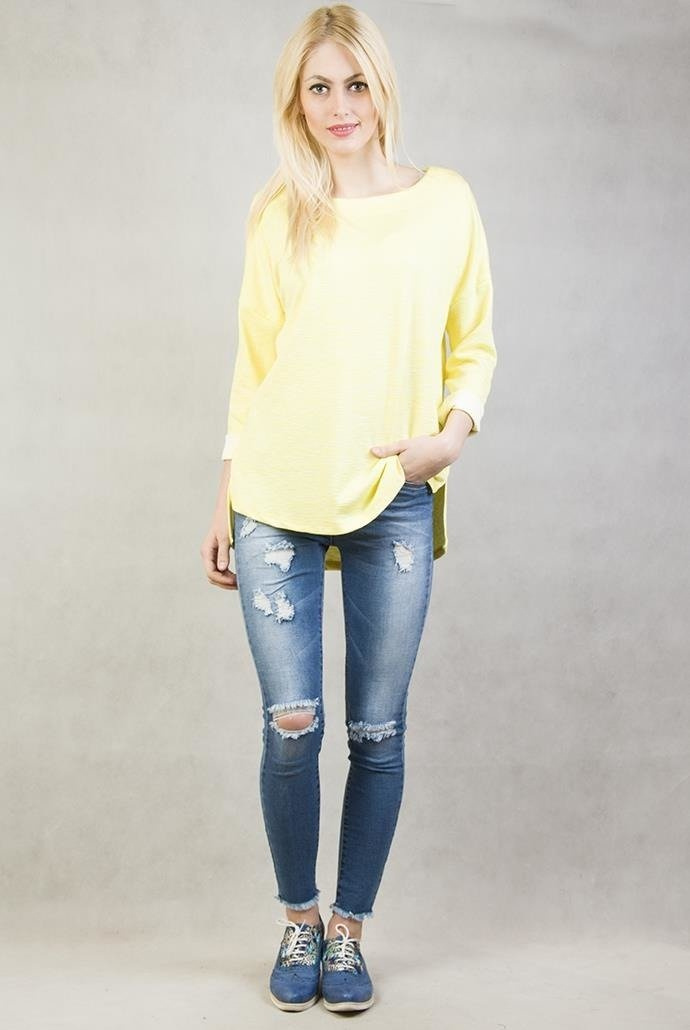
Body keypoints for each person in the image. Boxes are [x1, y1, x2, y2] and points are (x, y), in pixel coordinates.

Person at [200, 3, 497, 1014]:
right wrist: (224, 494)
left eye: (356, 83)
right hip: (275, 496)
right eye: (319, 87)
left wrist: (448, 440)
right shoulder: (278, 211)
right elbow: (254, 368)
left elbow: (474, 342)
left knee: (376, 730)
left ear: (382, 88)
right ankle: (298, 916)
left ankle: (350, 933)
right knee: (292, 726)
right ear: (297, 100)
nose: (340, 106)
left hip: (394, 496)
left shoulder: (444, 202)